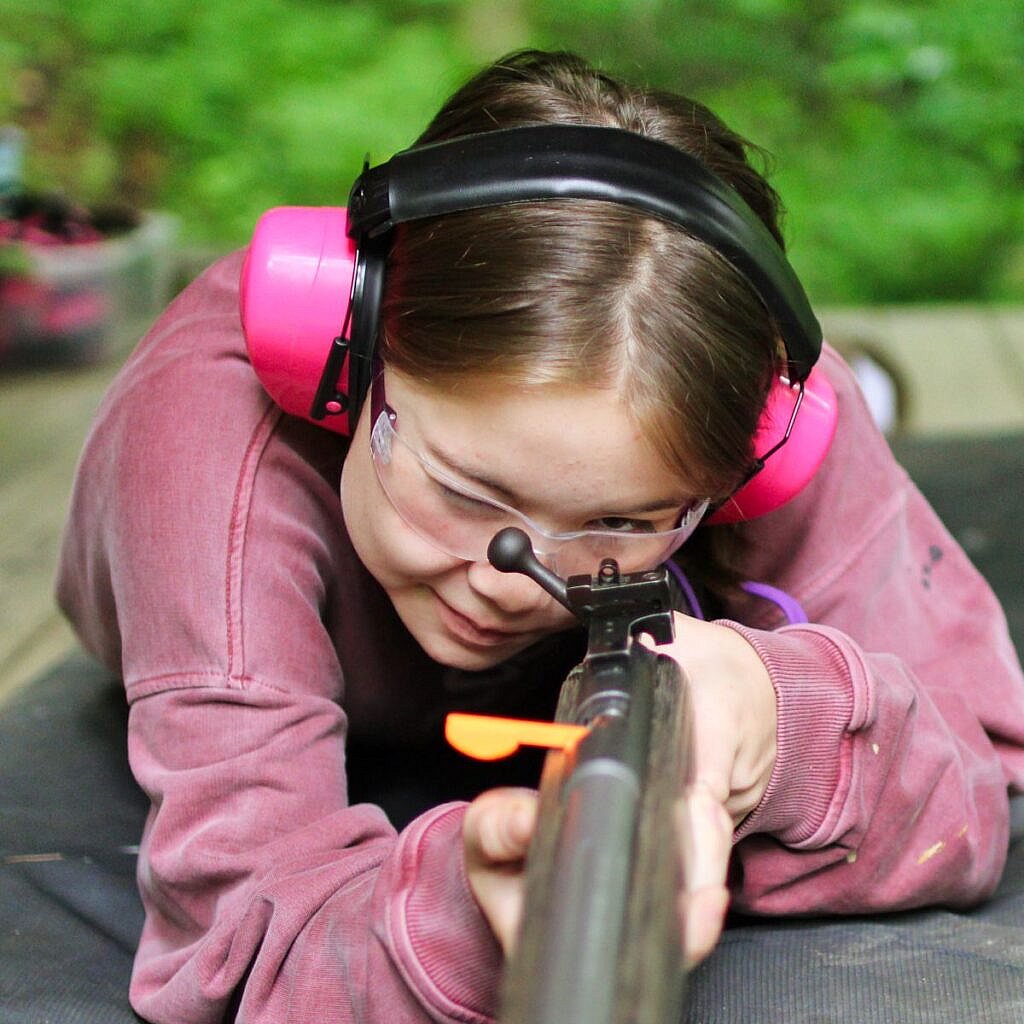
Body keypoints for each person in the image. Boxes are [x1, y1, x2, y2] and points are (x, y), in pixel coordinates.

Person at [55, 49, 1024, 1024]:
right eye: (467, 489)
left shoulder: (772, 421)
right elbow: (250, 942)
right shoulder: (209, 445)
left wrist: (776, 724)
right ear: (344, 354)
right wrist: (468, 915)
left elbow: (983, 782)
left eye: (624, 519)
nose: (511, 580)